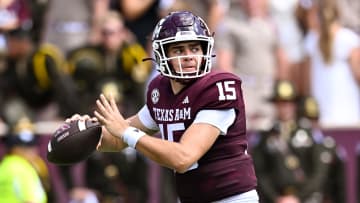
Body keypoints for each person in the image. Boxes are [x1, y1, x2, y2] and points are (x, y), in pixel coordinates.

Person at [67, 11, 259, 203]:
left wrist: (125, 131)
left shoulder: (217, 88)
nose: (189, 57)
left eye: (194, 48)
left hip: (232, 198)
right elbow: (118, 140)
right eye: (179, 50)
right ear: (161, 54)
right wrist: (85, 133)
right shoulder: (161, 91)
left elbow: (184, 157)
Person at [251, 80, 333, 203]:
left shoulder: (310, 133)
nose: (285, 107)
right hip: (276, 198)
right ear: (275, 105)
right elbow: (261, 172)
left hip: (306, 198)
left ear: (295, 104)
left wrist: (298, 198)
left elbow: (319, 172)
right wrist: (275, 198)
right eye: (280, 103)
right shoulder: (265, 136)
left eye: (288, 102)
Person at [0, 116, 49, 203]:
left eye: (32, 146)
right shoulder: (21, 168)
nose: (33, 151)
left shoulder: (6, 165)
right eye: (24, 148)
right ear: (14, 148)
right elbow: (30, 201)